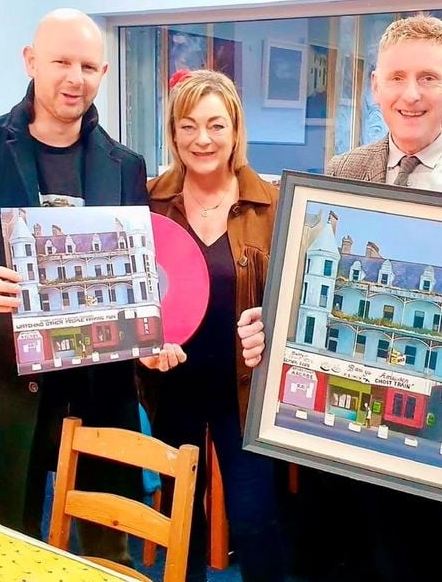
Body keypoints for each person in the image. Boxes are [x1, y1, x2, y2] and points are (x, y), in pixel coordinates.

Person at [238, 15, 442, 581]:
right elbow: (323, 284)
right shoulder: (345, 171)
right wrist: (279, 322)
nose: (411, 95)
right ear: (374, 86)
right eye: (397, 77)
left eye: (429, 78)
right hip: (364, 447)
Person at [0, 8, 178, 567]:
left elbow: (139, 275)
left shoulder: (126, 166)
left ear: (104, 71)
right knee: (0, 550)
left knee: (107, 552)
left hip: (99, 389)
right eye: (61, 61)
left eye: (88, 65)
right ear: (30, 61)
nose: (74, 78)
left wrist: (153, 329)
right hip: (3, 389)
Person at [138, 68, 286, 582]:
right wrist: (142, 342)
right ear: (174, 133)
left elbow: (291, 296)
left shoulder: (271, 204)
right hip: (170, 383)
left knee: (255, 520)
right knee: (178, 519)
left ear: (236, 130)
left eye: (216, 125)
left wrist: (273, 324)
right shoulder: (146, 202)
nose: (202, 139)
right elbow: (129, 292)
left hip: (242, 392)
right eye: (188, 125)